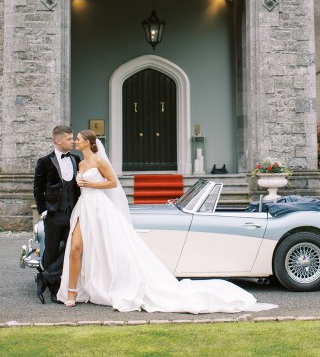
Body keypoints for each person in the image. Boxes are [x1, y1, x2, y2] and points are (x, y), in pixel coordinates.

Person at [57, 130, 278, 314]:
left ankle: (108, 284)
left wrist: (92, 186)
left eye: (78, 137)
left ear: (88, 141)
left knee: (111, 248)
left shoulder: (100, 161)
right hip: (83, 208)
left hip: (100, 209)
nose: (75, 140)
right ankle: (73, 291)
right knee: (76, 248)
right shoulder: (80, 163)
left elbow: (113, 184)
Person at [33, 125, 81, 303]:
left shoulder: (76, 158)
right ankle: (55, 292)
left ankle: (45, 276)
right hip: (53, 214)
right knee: (52, 252)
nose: (73, 141)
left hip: (72, 212)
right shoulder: (44, 161)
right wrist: (43, 211)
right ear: (58, 140)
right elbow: (38, 189)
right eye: (69, 139)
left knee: (72, 250)